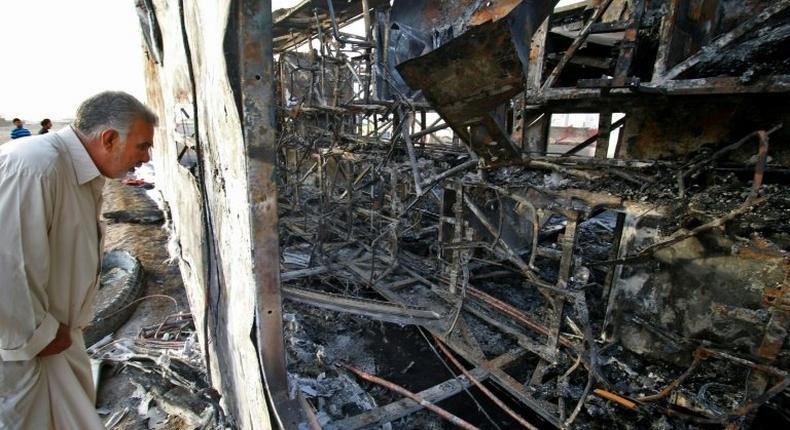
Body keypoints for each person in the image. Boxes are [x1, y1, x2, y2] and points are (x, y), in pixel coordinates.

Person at [0, 91, 157, 429]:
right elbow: (7, 267)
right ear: (110, 138)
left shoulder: (76, 171)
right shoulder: (35, 168)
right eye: (142, 146)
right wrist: (39, 336)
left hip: (53, 342)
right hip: (22, 354)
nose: (146, 157)